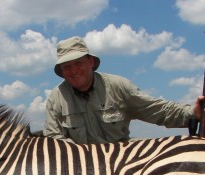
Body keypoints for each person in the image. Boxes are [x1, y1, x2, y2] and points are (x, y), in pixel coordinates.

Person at [43, 36, 205, 144]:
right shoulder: (56, 98)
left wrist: (192, 113)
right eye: (67, 66)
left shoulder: (118, 86)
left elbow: (157, 109)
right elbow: (53, 139)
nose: (74, 70)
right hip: (81, 168)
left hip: (121, 163)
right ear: (62, 72)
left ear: (91, 61)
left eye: (78, 63)